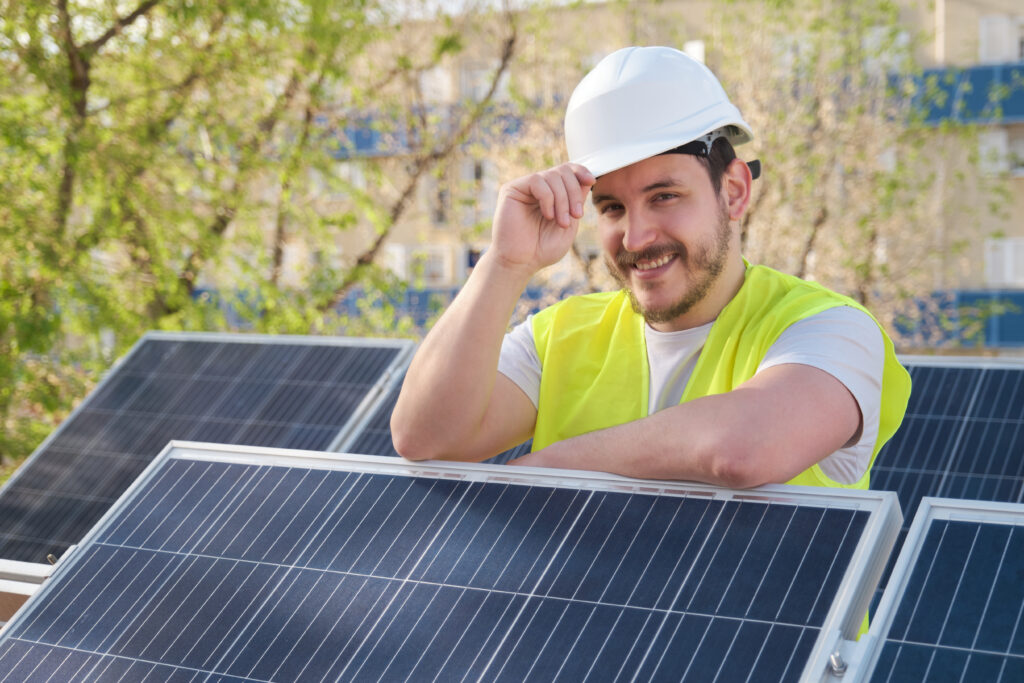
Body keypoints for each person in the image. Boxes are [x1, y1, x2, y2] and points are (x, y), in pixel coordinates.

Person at [391, 46, 911, 490]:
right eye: (612, 207)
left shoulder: (829, 327)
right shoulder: (560, 337)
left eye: (664, 196)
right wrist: (505, 264)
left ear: (733, 191)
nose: (636, 237)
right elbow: (425, 439)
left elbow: (743, 448)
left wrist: (546, 469)